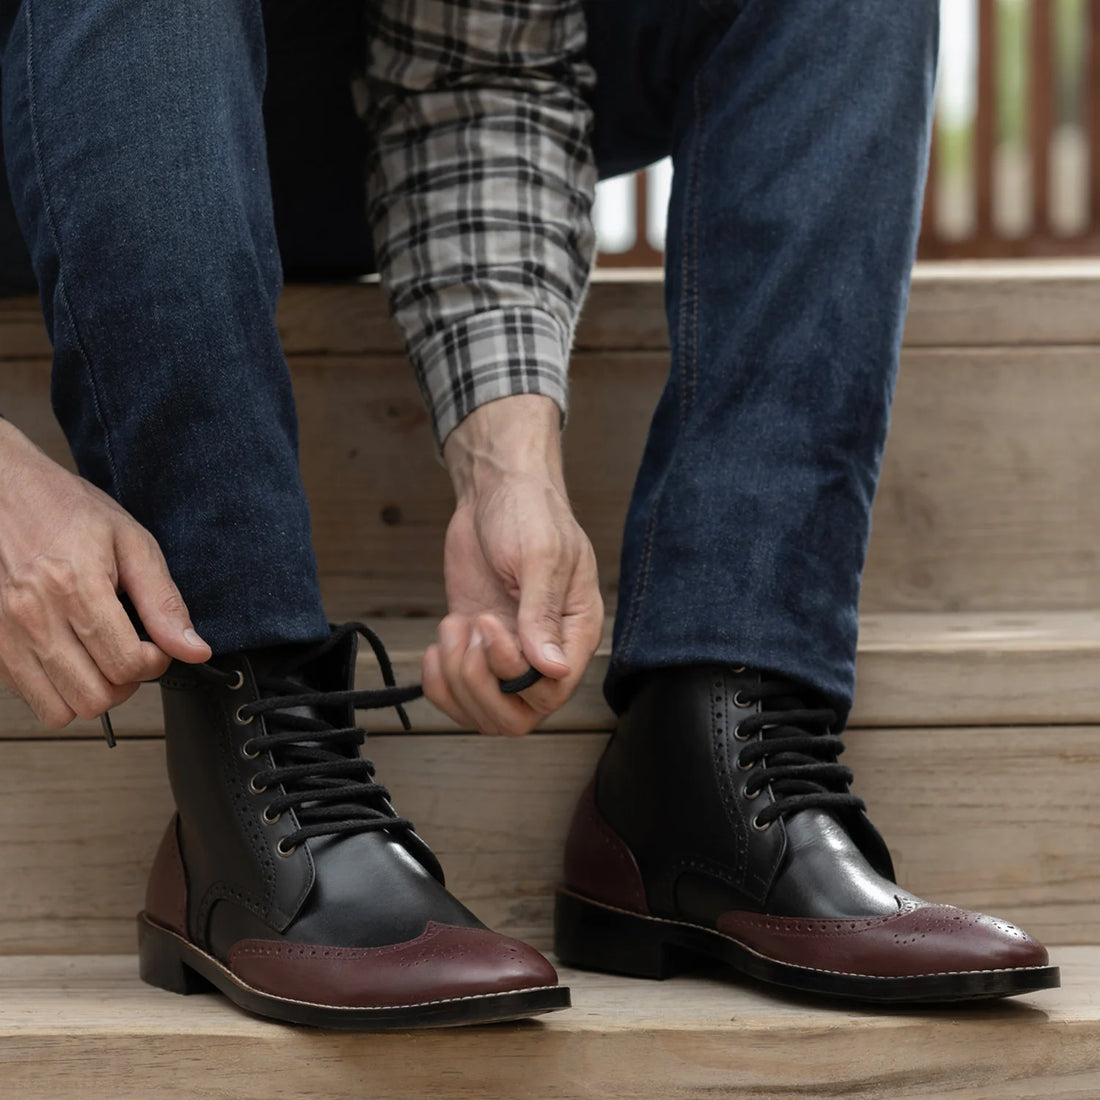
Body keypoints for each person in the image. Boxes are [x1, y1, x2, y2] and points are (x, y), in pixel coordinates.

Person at [0, 0, 1058, 1029]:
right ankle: (249, 726)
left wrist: (509, 464)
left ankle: (716, 745)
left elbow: (470, 66)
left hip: (265, 122)